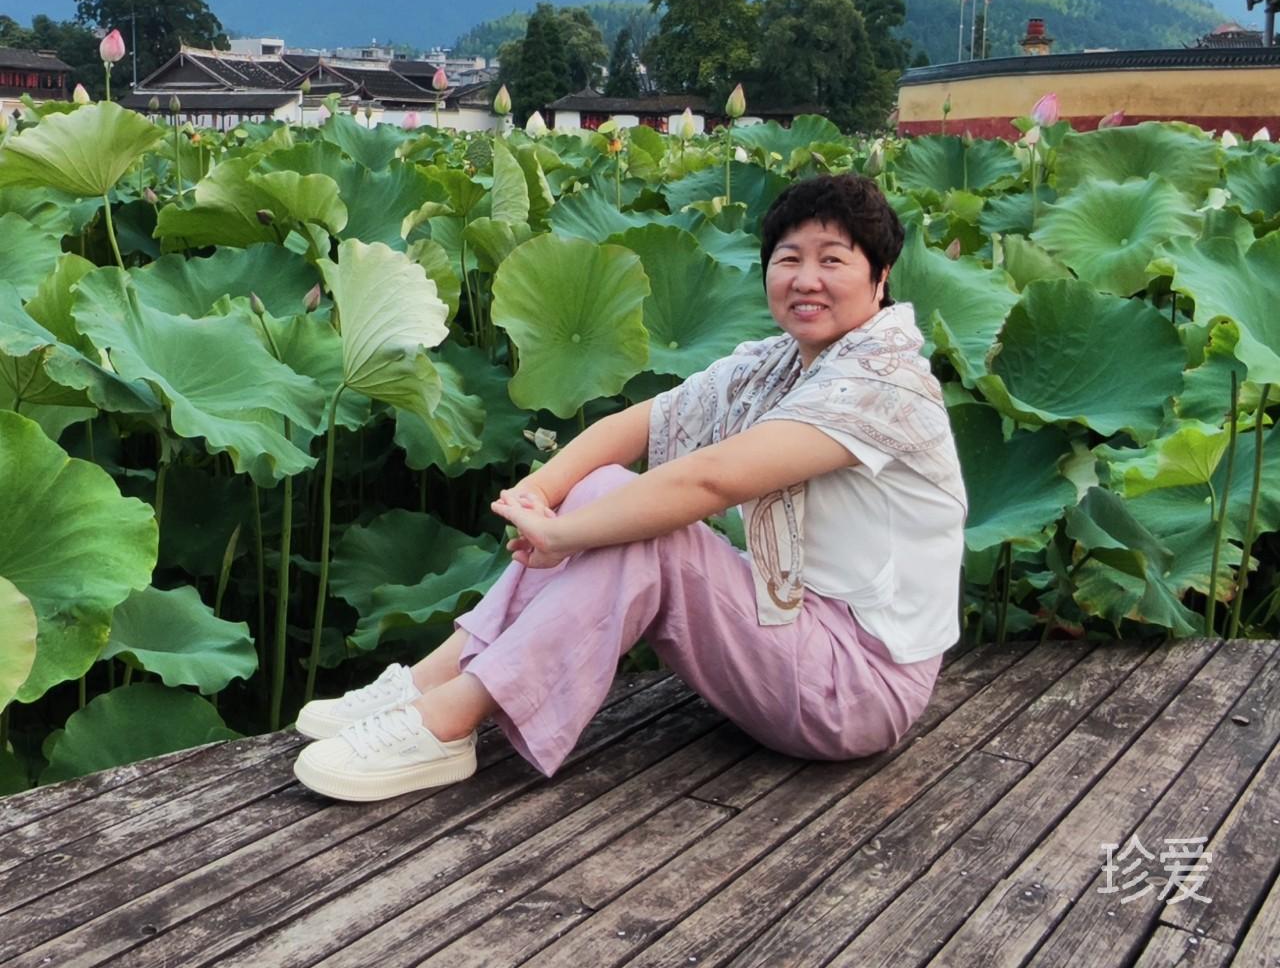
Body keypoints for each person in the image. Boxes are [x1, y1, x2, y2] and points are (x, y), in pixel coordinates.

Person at [292, 173, 968, 801]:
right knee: (605, 486)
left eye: (833, 259)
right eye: (789, 258)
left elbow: (710, 479)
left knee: (653, 534)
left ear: (879, 279)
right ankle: (427, 683)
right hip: (790, 629)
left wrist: (560, 535)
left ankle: (449, 722)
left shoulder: (884, 382)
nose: (806, 278)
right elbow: (640, 423)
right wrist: (542, 491)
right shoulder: (777, 364)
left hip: (859, 687)